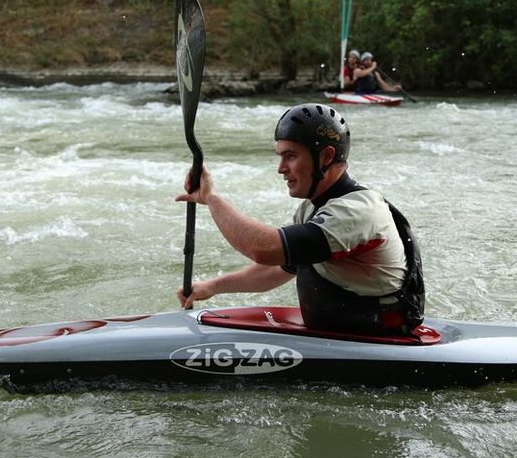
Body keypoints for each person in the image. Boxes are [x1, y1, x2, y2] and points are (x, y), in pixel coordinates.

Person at [175, 104, 425, 335]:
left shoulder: (357, 211)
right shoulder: (312, 209)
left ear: (326, 157)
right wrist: (212, 287)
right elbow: (278, 268)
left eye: (290, 156)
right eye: (280, 156)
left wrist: (212, 199)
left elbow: (265, 250)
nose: (280, 168)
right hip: (340, 335)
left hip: (376, 341)